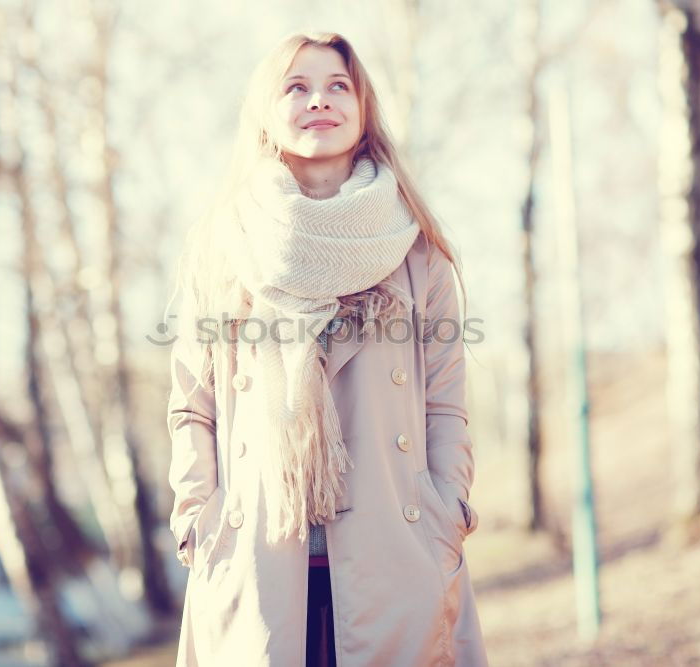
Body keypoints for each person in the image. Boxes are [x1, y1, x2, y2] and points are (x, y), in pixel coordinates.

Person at [164, 30, 489, 666]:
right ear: (266, 111)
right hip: (255, 552)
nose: (320, 100)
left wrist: (445, 513)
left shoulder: (416, 249)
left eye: (338, 85)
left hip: (398, 549)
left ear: (363, 109)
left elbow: (445, 403)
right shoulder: (223, 245)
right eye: (297, 86)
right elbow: (191, 407)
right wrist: (198, 521)